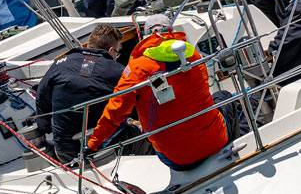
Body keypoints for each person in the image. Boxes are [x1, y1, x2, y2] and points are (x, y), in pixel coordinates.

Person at [84, 13, 230, 172]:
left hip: (177, 158)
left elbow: (115, 112)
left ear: (145, 37)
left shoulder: (137, 68)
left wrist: (93, 145)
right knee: (225, 98)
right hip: (216, 142)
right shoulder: (192, 54)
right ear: (170, 31)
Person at [33, 24, 128, 161]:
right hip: (102, 147)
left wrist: (44, 128)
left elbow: (42, 100)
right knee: (147, 140)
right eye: (117, 53)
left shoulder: (59, 64)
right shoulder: (116, 70)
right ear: (111, 51)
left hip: (65, 150)